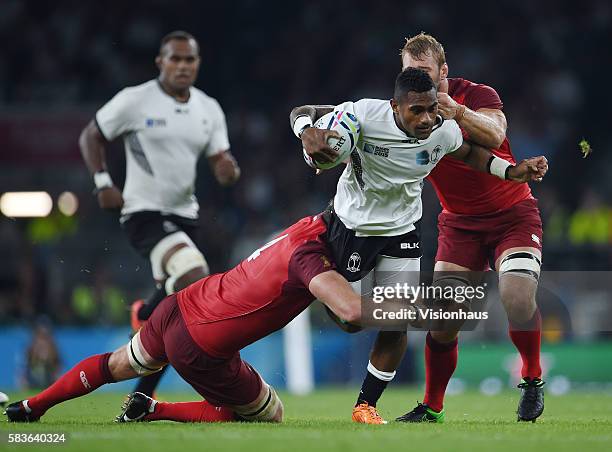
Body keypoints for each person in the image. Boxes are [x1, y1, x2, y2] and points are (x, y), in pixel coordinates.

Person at [290, 67, 547, 424]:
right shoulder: (366, 113)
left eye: (428, 74)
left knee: (509, 298)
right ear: (396, 104)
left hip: (476, 220)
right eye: (417, 107)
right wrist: (311, 136)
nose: (427, 117)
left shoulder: (468, 102)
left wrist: (511, 170)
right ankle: (432, 406)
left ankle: (530, 380)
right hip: (394, 229)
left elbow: (482, 144)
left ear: (443, 69)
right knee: (358, 320)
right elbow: (305, 113)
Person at [4, 213, 360, 424]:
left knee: (117, 363)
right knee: (268, 412)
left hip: (177, 306)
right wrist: (411, 307)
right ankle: (154, 410)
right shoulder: (312, 261)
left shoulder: (305, 227)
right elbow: (351, 314)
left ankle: (31, 406)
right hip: (201, 345)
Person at [78, 30, 240, 398]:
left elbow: (220, 160)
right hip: (143, 212)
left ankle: (142, 394)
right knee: (195, 275)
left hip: (187, 216)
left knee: (174, 312)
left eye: (190, 60)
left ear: (198, 63)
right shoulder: (135, 100)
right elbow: (91, 135)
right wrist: (103, 182)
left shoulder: (208, 108)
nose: (183, 66)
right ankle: (149, 312)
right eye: (175, 59)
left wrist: (228, 169)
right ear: (160, 62)